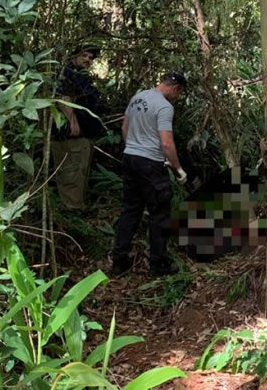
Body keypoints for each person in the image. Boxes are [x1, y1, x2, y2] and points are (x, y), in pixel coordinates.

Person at [112, 72, 188, 276]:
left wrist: (134, 149)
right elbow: (166, 142)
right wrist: (178, 169)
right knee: (160, 212)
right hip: (150, 164)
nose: (176, 97)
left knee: (130, 209)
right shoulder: (164, 107)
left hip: (130, 158)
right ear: (175, 88)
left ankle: (119, 261)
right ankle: (159, 263)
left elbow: (124, 127)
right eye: (178, 94)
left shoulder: (138, 97)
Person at [51, 46, 104, 209]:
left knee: (79, 174)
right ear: (74, 55)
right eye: (85, 55)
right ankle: (71, 211)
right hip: (71, 135)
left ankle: (75, 208)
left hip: (83, 135)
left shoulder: (79, 75)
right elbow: (63, 98)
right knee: (71, 175)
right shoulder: (66, 72)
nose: (88, 60)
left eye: (91, 58)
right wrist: (72, 123)